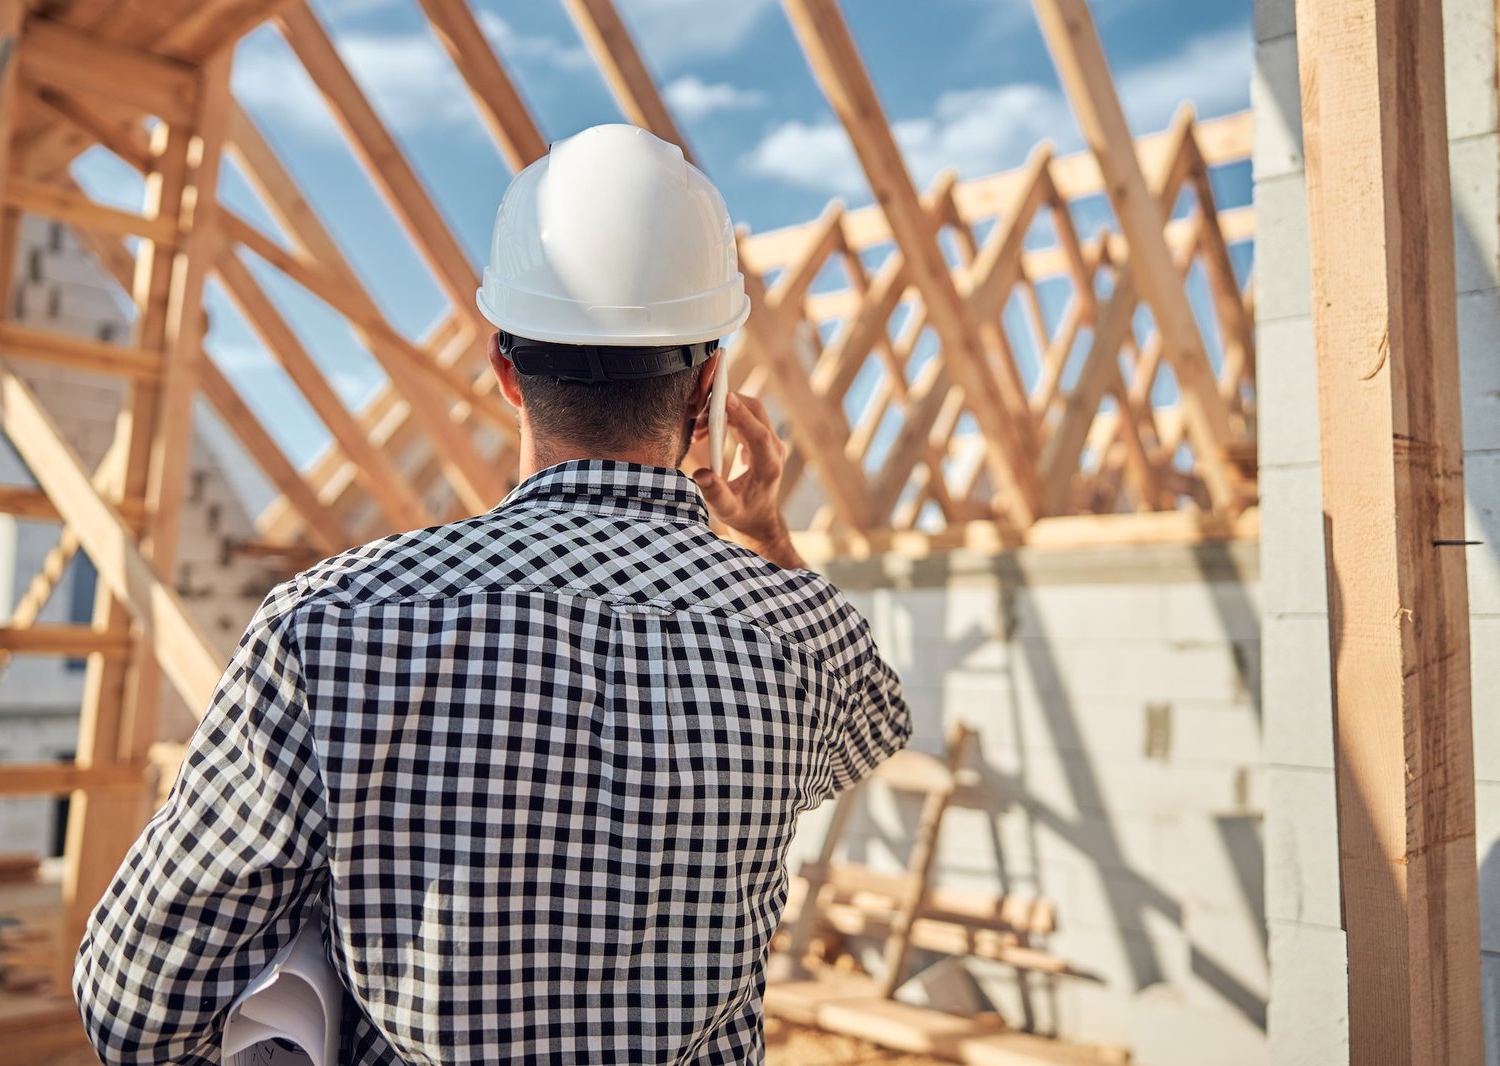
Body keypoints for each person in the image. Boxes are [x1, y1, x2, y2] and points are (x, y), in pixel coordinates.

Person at [74, 124, 911, 1065]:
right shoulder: (797, 637)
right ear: (709, 384)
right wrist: (765, 535)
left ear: (506, 373)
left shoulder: (333, 623)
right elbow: (872, 728)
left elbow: (132, 1005)